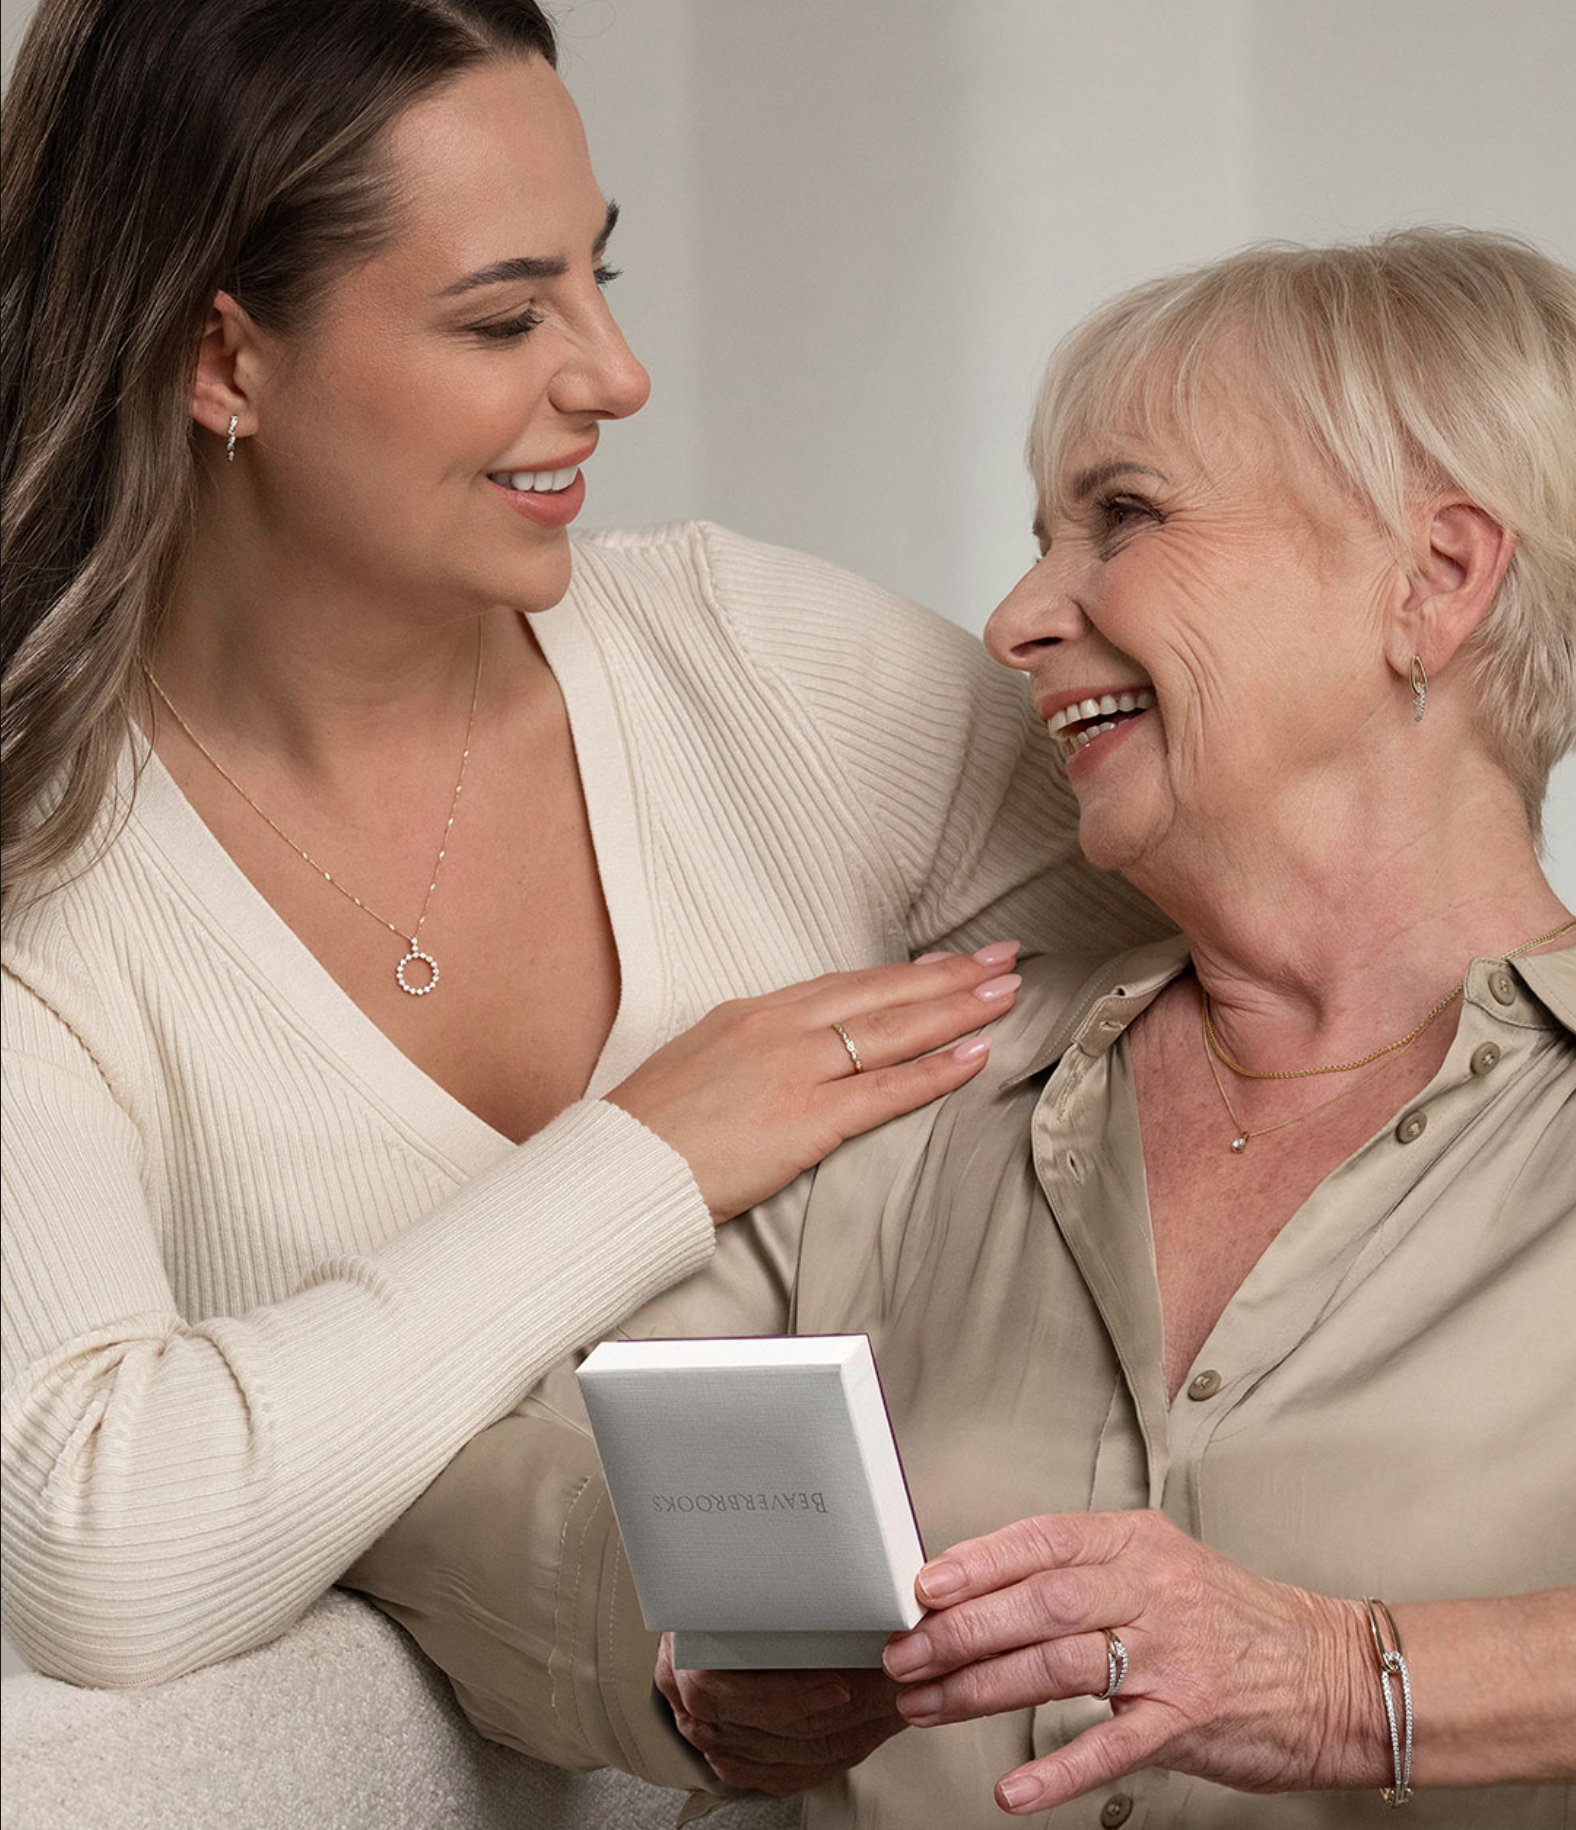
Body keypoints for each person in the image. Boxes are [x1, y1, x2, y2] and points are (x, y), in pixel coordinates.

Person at [347, 228, 1576, 1827]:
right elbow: (455, 1479)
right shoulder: (924, 1085)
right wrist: (673, 1651)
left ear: (1438, 577)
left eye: (1123, 515)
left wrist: (1346, 1678)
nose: (1012, 618)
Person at [0, 0, 1164, 1688]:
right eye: (502, 317)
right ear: (223, 359)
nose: (614, 375)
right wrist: (653, 1154)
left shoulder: (754, 660)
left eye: (598, 275)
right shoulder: (48, 888)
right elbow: (103, 1554)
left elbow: (1281, 973)